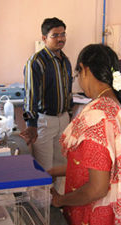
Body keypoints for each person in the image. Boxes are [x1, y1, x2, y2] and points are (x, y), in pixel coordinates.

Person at [48, 44, 121, 225]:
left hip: (93, 215)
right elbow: (96, 164)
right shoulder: (115, 105)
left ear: (85, 69)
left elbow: (97, 189)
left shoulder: (97, 115)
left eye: (77, 75)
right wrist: (54, 171)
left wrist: (59, 200)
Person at [20, 17, 73, 192]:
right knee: (44, 166)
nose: (61, 38)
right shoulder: (36, 62)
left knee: (61, 163)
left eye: (63, 34)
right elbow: (30, 97)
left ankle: (58, 200)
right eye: (55, 35)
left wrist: (70, 116)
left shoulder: (65, 60)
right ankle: (41, 206)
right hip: (44, 121)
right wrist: (31, 125)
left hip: (63, 119)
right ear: (44, 38)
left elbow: (68, 91)